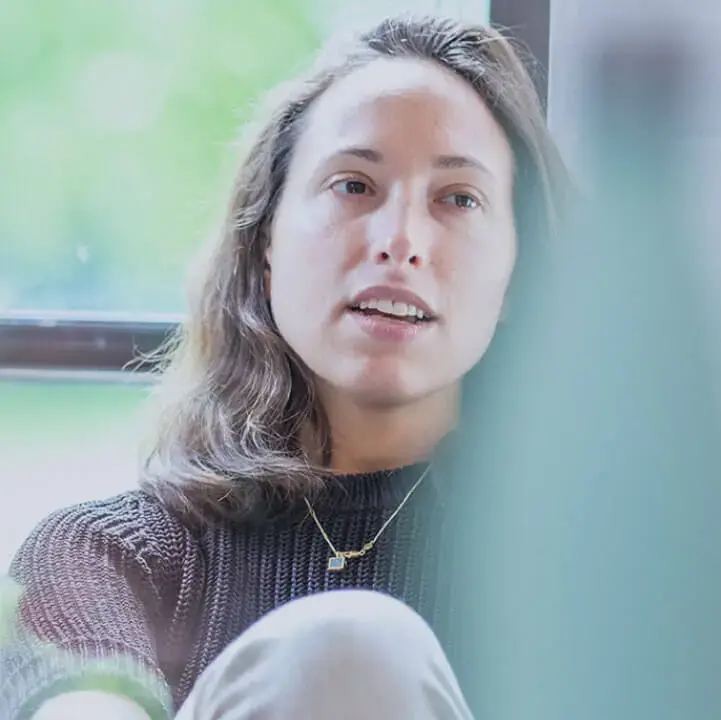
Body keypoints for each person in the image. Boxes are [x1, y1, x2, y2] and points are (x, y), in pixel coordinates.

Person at [1, 13, 568, 720]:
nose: (400, 241)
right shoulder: (105, 558)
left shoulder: (583, 569)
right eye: (353, 185)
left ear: (518, 277)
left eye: (458, 199)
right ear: (265, 242)